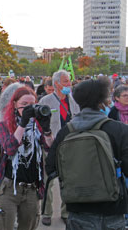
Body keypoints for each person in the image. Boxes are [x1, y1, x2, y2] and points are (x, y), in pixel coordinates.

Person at [45, 77, 128, 230]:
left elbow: (50, 168)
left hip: (78, 209)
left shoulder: (67, 132)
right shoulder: (119, 130)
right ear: (103, 100)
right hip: (113, 208)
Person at [0, 86, 53, 230]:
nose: (29, 109)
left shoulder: (37, 127)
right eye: (24, 105)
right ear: (14, 105)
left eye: (32, 105)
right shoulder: (4, 125)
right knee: (5, 225)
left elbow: (50, 147)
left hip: (31, 188)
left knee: (29, 226)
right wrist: (23, 123)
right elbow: (10, 148)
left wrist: (47, 129)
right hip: (9, 187)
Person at [38, 70, 80, 226]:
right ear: (56, 84)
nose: (69, 84)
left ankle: (66, 211)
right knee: (48, 180)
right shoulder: (45, 101)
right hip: (49, 148)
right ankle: (47, 212)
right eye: (65, 81)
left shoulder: (74, 100)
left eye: (69, 81)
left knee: (68, 181)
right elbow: (38, 124)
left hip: (70, 146)